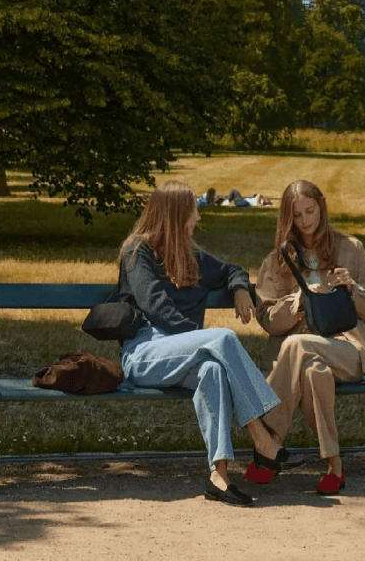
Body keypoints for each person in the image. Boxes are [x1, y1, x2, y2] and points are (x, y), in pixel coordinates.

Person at [117, 181, 299, 506]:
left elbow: (232, 270)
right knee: (222, 339)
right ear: (176, 215)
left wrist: (241, 288)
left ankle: (219, 476)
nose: (198, 218)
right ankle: (262, 435)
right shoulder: (137, 251)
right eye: (193, 211)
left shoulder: (191, 256)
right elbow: (155, 304)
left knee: (214, 369)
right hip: (145, 353)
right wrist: (202, 339)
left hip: (186, 355)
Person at [248, 179, 365, 496]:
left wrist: (352, 287)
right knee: (312, 372)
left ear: (321, 207)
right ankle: (334, 467)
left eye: (311, 211)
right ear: (288, 218)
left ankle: (269, 442)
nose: (306, 220)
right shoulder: (277, 260)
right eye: (297, 215)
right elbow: (268, 320)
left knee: (296, 346)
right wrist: (296, 303)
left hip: (348, 350)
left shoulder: (350, 248)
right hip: (303, 360)